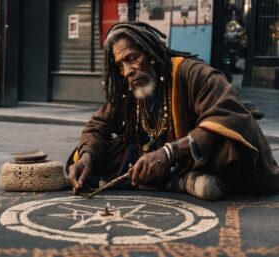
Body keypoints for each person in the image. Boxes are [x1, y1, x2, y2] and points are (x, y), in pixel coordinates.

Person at [66, 21, 279, 200]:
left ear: (149, 53)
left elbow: (227, 113)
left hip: (193, 156)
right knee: (88, 157)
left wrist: (169, 153)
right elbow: (98, 124)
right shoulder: (129, 87)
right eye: (120, 65)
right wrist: (87, 157)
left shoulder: (191, 72)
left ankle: (178, 180)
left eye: (132, 58)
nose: (128, 71)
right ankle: (180, 183)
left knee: (229, 136)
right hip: (150, 157)